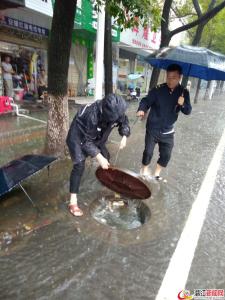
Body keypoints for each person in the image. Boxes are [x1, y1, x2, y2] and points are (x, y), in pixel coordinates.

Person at [66, 93, 130, 216]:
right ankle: (72, 201)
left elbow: (124, 121)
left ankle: (109, 184)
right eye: (114, 118)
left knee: (107, 158)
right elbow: (86, 142)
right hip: (78, 136)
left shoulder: (117, 110)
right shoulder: (92, 115)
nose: (118, 118)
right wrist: (98, 157)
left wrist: (124, 136)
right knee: (79, 165)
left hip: (96, 136)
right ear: (107, 115)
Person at [137, 64, 192, 180]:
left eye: (174, 77)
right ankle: (144, 169)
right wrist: (142, 109)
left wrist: (183, 104)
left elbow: (188, 111)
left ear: (180, 77)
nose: (170, 80)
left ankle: (156, 174)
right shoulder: (158, 90)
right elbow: (146, 101)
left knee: (166, 155)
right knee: (148, 152)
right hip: (153, 128)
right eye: (168, 77)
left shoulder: (184, 92)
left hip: (168, 131)